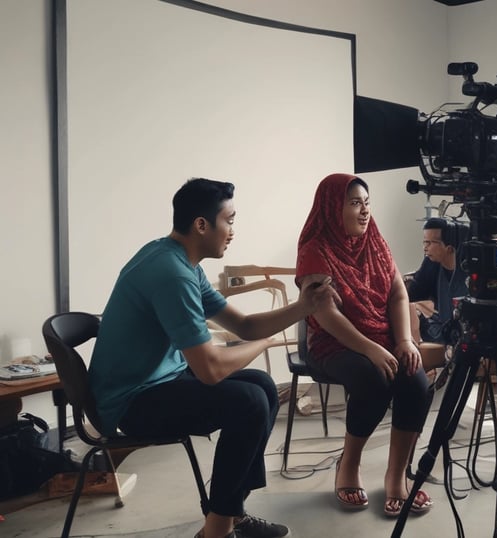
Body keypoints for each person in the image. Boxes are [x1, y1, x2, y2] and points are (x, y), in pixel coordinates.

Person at [89, 178, 335, 538]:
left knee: (263, 386)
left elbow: (245, 324)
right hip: (131, 402)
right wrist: (266, 343)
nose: (233, 230)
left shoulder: (181, 261)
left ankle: (231, 513)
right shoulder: (172, 274)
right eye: (230, 220)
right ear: (201, 225)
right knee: (249, 401)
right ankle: (217, 530)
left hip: (160, 380)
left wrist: (303, 306)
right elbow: (209, 369)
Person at [295, 173, 433, 517]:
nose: (364, 212)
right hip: (331, 342)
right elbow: (324, 314)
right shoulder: (315, 249)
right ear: (332, 207)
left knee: (416, 382)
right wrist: (371, 349)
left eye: (367, 204)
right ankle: (349, 466)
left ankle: (396, 476)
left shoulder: (374, 240)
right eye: (355, 203)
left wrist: (404, 340)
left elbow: (398, 292)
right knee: (374, 378)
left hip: (382, 337)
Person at [407, 217, 469, 348]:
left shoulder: (467, 268)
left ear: (449, 248)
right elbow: (413, 293)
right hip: (443, 330)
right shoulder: (431, 264)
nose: (425, 248)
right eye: (424, 242)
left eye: (430, 243)